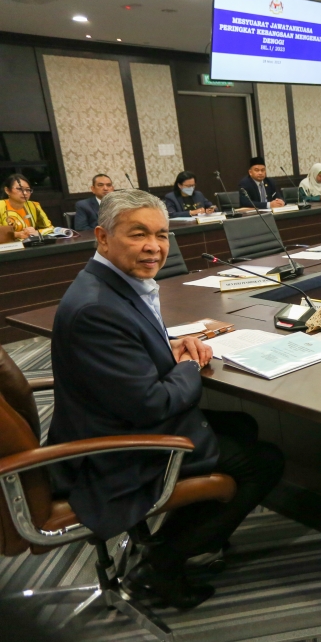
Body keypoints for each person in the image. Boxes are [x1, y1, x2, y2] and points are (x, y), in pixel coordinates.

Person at [47, 189, 285, 608]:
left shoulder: (109, 285)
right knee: (263, 461)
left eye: (162, 234)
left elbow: (130, 364)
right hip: (115, 450)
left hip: (116, 418)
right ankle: (161, 564)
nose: (154, 246)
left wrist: (167, 352)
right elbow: (153, 404)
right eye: (138, 234)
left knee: (243, 425)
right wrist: (189, 364)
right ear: (102, 238)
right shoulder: (96, 308)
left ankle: (182, 535)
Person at [2, 174, 53, 239]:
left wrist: (37, 232)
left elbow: (50, 228)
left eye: (28, 190)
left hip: (30, 245)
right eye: (20, 189)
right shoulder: (1, 206)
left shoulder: (34, 205)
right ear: (7, 190)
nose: (25, 193)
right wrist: (17, 234)